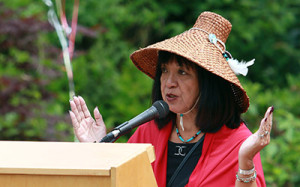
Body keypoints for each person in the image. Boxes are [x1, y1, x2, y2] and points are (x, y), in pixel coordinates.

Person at [69, 11, 273, 187]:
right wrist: (97, 149)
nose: (169, 82)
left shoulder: (237, 142)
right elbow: (120, 180)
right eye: (165, 70)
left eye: (183, 72)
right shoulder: (148, 132)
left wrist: (246, 161)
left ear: (207, 83)